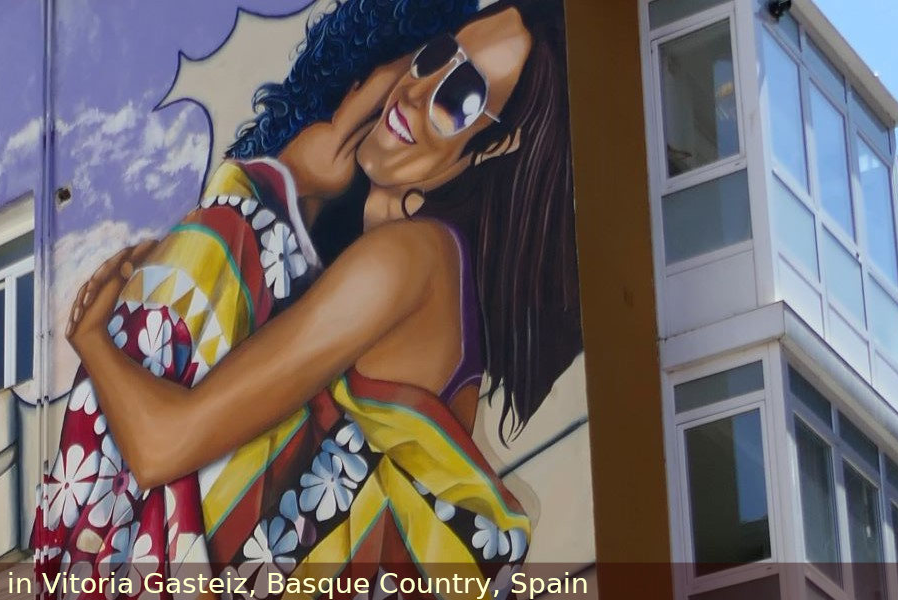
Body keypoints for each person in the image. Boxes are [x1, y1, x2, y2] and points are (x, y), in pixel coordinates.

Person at [32, 0, 579, 595]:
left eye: (462, 96)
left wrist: (91, 338)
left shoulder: (403, 263)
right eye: (437, 55)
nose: (419, 94)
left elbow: (163, 445)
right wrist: (334, 142)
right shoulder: (419, 263)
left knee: (220, 239)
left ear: (498, 146)